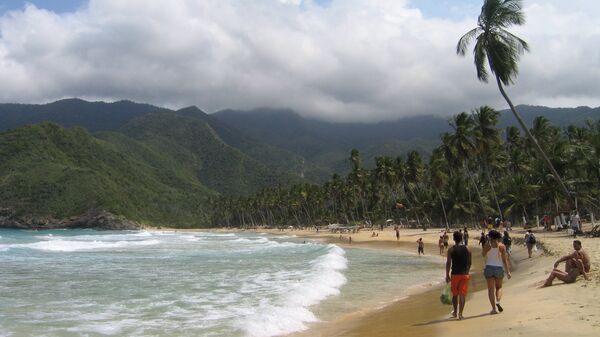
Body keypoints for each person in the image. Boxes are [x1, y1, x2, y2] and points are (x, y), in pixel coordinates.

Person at [482, 229, 511, 314]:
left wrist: (486, 248)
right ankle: (498, 301)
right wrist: (508, 272)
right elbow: (505, 260)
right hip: (498, 268)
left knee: (490, 290)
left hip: (489, 268)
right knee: (499, 287)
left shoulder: (487, 245)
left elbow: (483, 255)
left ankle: (494, 309)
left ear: (490, 236)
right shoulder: (501, 246)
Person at [445, 231, 472, 320]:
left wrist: (447, 275)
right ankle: (460, 314)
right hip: (464, 274)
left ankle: (455, 312)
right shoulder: (468, 249)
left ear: (453, 239)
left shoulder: (451, 250)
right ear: (462, 238)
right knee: (462, 295)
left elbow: (448, 263)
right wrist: (467, 271)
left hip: (455, 275)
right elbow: (469, 262)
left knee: (455, 294)